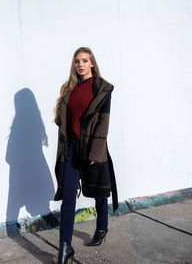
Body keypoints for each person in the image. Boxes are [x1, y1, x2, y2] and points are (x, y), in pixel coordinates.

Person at [54, 47, 118, 264]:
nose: (80, 65)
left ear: (92, 63)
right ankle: (65, 247)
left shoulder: (101, 88)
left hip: (92, 146)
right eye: (77, 61)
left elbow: (103, 122)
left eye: (84, 60)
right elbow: (62, 119)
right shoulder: (69, 88)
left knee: (99, 191)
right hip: (71, 148)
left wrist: (95, 151)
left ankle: (101, 228)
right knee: (69, 198)